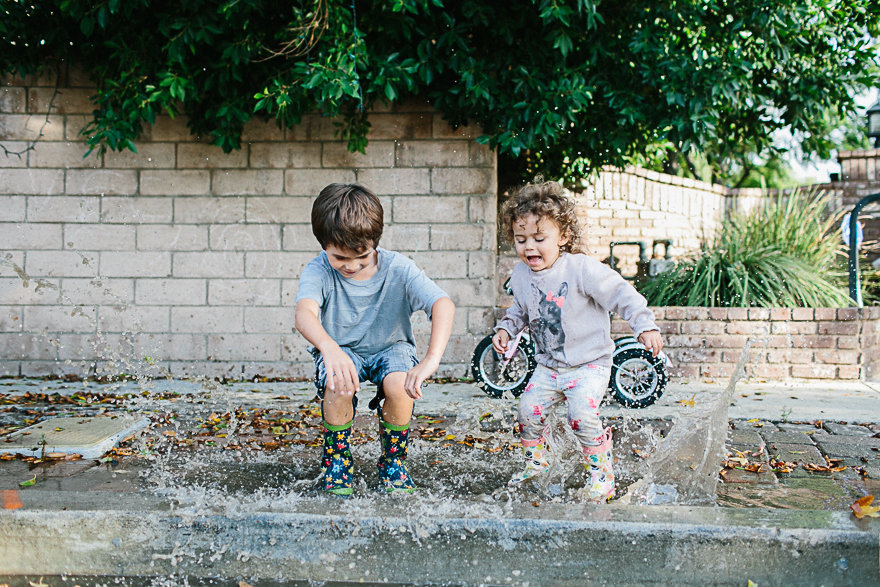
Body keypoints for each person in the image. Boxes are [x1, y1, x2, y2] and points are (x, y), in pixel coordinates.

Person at [492, 181, 663, 502]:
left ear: (564, 237)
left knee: (580, 417)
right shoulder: (520, 275)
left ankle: (602, 477)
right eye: (521, 239)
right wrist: (506, 330)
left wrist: (644, 325)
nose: (530, 247)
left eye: (540, 239)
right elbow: (519, 311)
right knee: (527, 414)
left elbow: (621, 294)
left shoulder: (581, 269)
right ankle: (537, 466)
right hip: (548, 366)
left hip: (589, 365)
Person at [294, 183, 455, 496]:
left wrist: (431, 360)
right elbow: (304, 313)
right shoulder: (318, 271)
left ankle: (393, 461)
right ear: (323, 246)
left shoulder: (398, 268)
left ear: (375, 244)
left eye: (362, 258)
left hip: (391, 349)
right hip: (343, 351)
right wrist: (329, 348)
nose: (351, 266)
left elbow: (442, 304)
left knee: (399, 385)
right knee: (338, 383)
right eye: (340, 257)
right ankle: (337, 460)